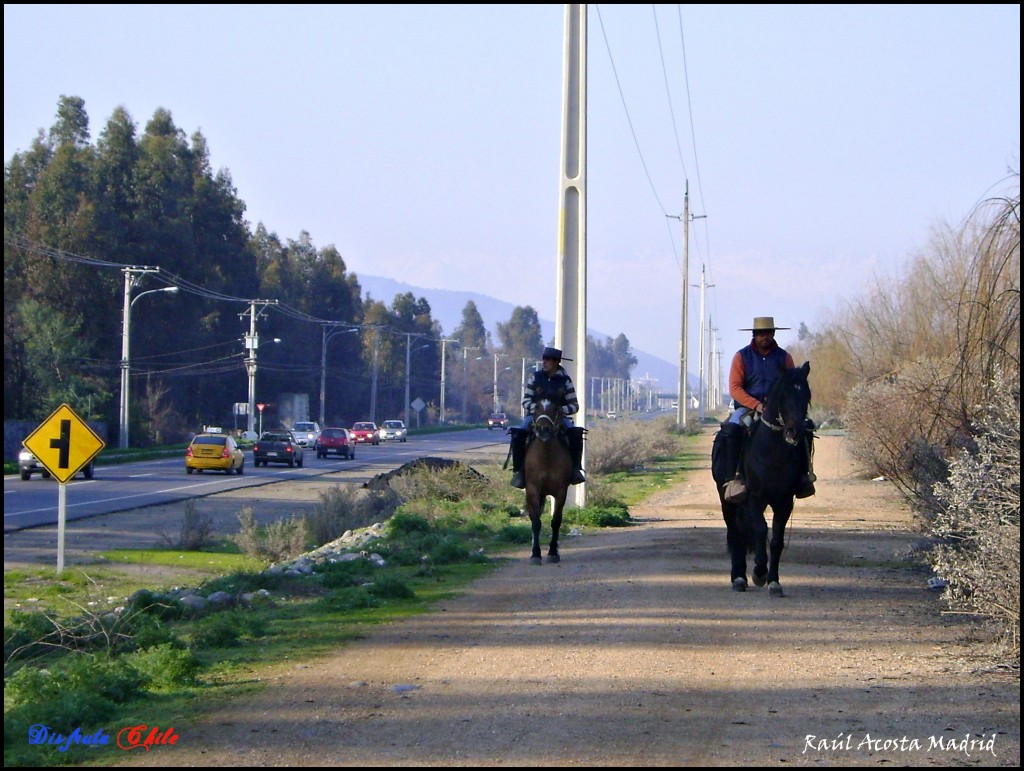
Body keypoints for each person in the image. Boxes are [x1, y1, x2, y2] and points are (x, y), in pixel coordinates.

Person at [719, 316, 816, 502]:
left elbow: (792, 384)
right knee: (731, 429)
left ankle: (803, 476)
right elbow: (735, 388)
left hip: (779, 410)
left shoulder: (784, 357)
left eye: (768, 333)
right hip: (747, 408)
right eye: (761, 333)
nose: (765, 337)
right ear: (754, 335)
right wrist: (756, 405)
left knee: (805, 427)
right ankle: (733, 478)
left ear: (773, 334)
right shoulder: (742, 357)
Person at [508, 346, 586, 488]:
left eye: (548, 360)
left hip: (558, 418)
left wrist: (559, 410)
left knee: (575, 433)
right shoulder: (535, 377)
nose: (544, 362)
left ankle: (575, 470)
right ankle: (519, 471)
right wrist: (538, 410)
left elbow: (574, 405)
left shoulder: (565, 380)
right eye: (544, 359)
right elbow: (525, 401)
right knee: (518, 434)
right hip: (535, 416)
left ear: (556, 362)